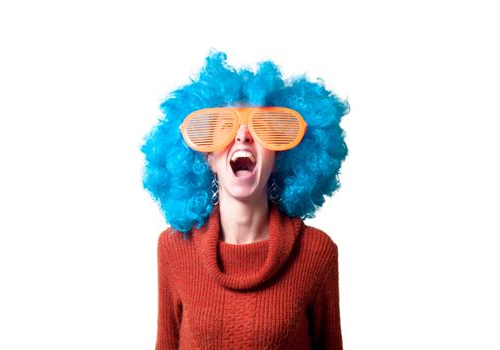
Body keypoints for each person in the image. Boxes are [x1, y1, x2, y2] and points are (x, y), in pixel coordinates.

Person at [141, 51, 349, 349]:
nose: (242, 136)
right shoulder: (174, 249)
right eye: (222, 127)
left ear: (280, 156)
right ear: (207, 158)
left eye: (261, 128)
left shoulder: (317, 253)